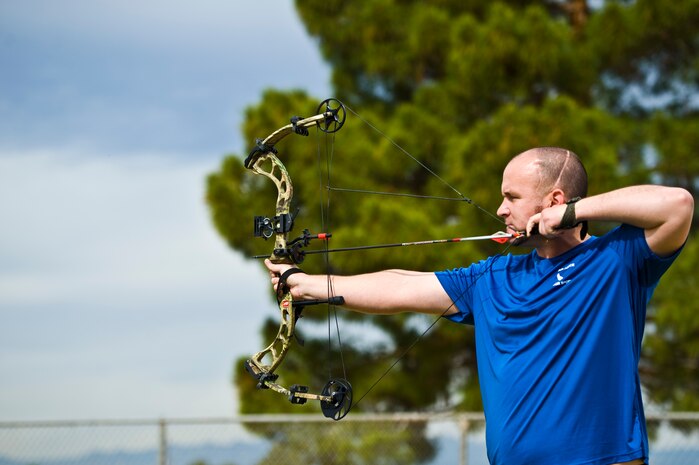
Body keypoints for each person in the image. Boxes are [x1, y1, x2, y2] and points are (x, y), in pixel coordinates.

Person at [265, 147, 694, 465]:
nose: (500, 209)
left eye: (512, 197)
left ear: (555, 200)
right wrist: (305, 285)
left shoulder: (616, 261)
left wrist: (573, 215)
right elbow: (402, 286)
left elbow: (677, 205)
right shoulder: (492, 279)